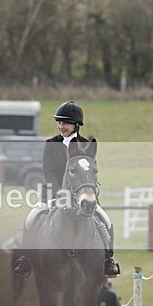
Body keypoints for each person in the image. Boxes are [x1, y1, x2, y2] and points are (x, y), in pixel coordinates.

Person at [12, 100, 121, 278]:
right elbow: (48, 171)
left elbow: (90, 172)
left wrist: (87, 191)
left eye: (65, 123)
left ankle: (108, 259)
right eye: (59, 122)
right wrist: (58, 193)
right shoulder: (50, 143)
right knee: (31, 219)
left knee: (106, 221)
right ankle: (26, 258)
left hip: (83, 193)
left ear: (76, 125)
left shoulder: (86, 144)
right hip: (53, 193)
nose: (61, 126)